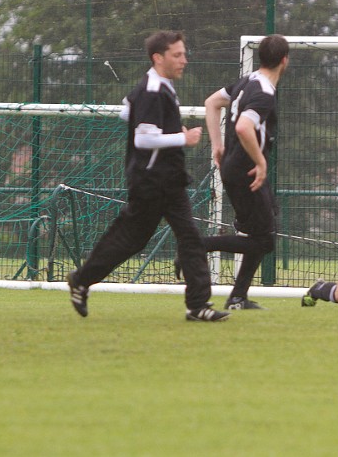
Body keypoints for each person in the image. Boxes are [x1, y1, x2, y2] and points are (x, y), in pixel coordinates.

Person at [66, 30, 229, 322]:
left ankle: (198, 305)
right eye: (177, 55)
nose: (184, 60)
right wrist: (183, 139)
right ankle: (81, 279)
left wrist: (168, 131)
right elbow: (143, 139)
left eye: (184, 54)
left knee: (189, 238)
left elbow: (127, 110)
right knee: (132, 239)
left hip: (167, 179)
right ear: (158, 57)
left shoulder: (155, 85)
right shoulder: (153, 90)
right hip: (152, 182)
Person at [196, 34, 289, 310]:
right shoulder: (264, 93)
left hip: (236, 167)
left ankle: (238, 297)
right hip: (246, 171)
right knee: (265, 241)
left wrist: (217, 145)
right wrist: (260, 163)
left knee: (264, 226)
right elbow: (243, 128)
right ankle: (199, 245)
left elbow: (211, 102)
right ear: (285, 61)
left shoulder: (246, 81)